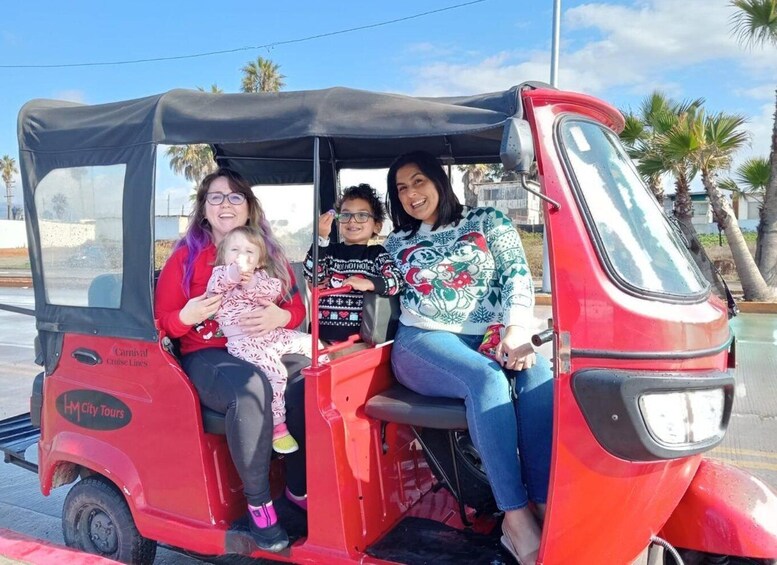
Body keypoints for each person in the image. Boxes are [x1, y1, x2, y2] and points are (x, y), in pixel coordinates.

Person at [383, 151, 553, 565]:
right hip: (424, 340)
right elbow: (367, 276)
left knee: (539, 376)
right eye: (401, 188)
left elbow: (516, 274)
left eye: (418, 181)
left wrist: (516, 328)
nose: (411, 194)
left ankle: (544, 503)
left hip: (492, 336)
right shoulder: (395, 242)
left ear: (439, 181)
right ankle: (515, 519)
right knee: (486, 379)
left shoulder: (487, 221)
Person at [154, 168, 307, 552]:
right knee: (251, 388)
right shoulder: (186, 257)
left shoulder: (268, 253)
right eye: (216, 197)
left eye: (235, 196)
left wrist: (281, 316)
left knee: (310, 378)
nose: (226, 204)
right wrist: (186, 316)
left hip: (264, 343)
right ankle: (259, 506)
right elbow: (163, 321)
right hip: (207, 354)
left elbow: (296, 308)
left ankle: (298, 486)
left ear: (249, 207)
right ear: (204, 208)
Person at [207, 225, 320, 455]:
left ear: (259, 261)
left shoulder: (260, 277)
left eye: (249, 252)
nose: (241, 256)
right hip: (245, 342)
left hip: (271, 334)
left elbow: (271, 291)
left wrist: (250, 281)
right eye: (234, 250)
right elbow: (215, 288)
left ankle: (324, 397)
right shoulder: (219, 276)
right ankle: (278, 426)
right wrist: (234, 274)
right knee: (276, 373)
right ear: (223, 255)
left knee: (313, 344)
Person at [303, 183, 402, 344]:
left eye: (362, 215)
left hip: (360, 340)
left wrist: (368, 283)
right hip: (321, 337)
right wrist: (320, 238)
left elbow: (397, 281)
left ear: (377, 226)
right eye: (346, 215)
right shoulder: (328, 251)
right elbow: (311, 274)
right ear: (338, 222)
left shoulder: (377, 254)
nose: (352, 221)